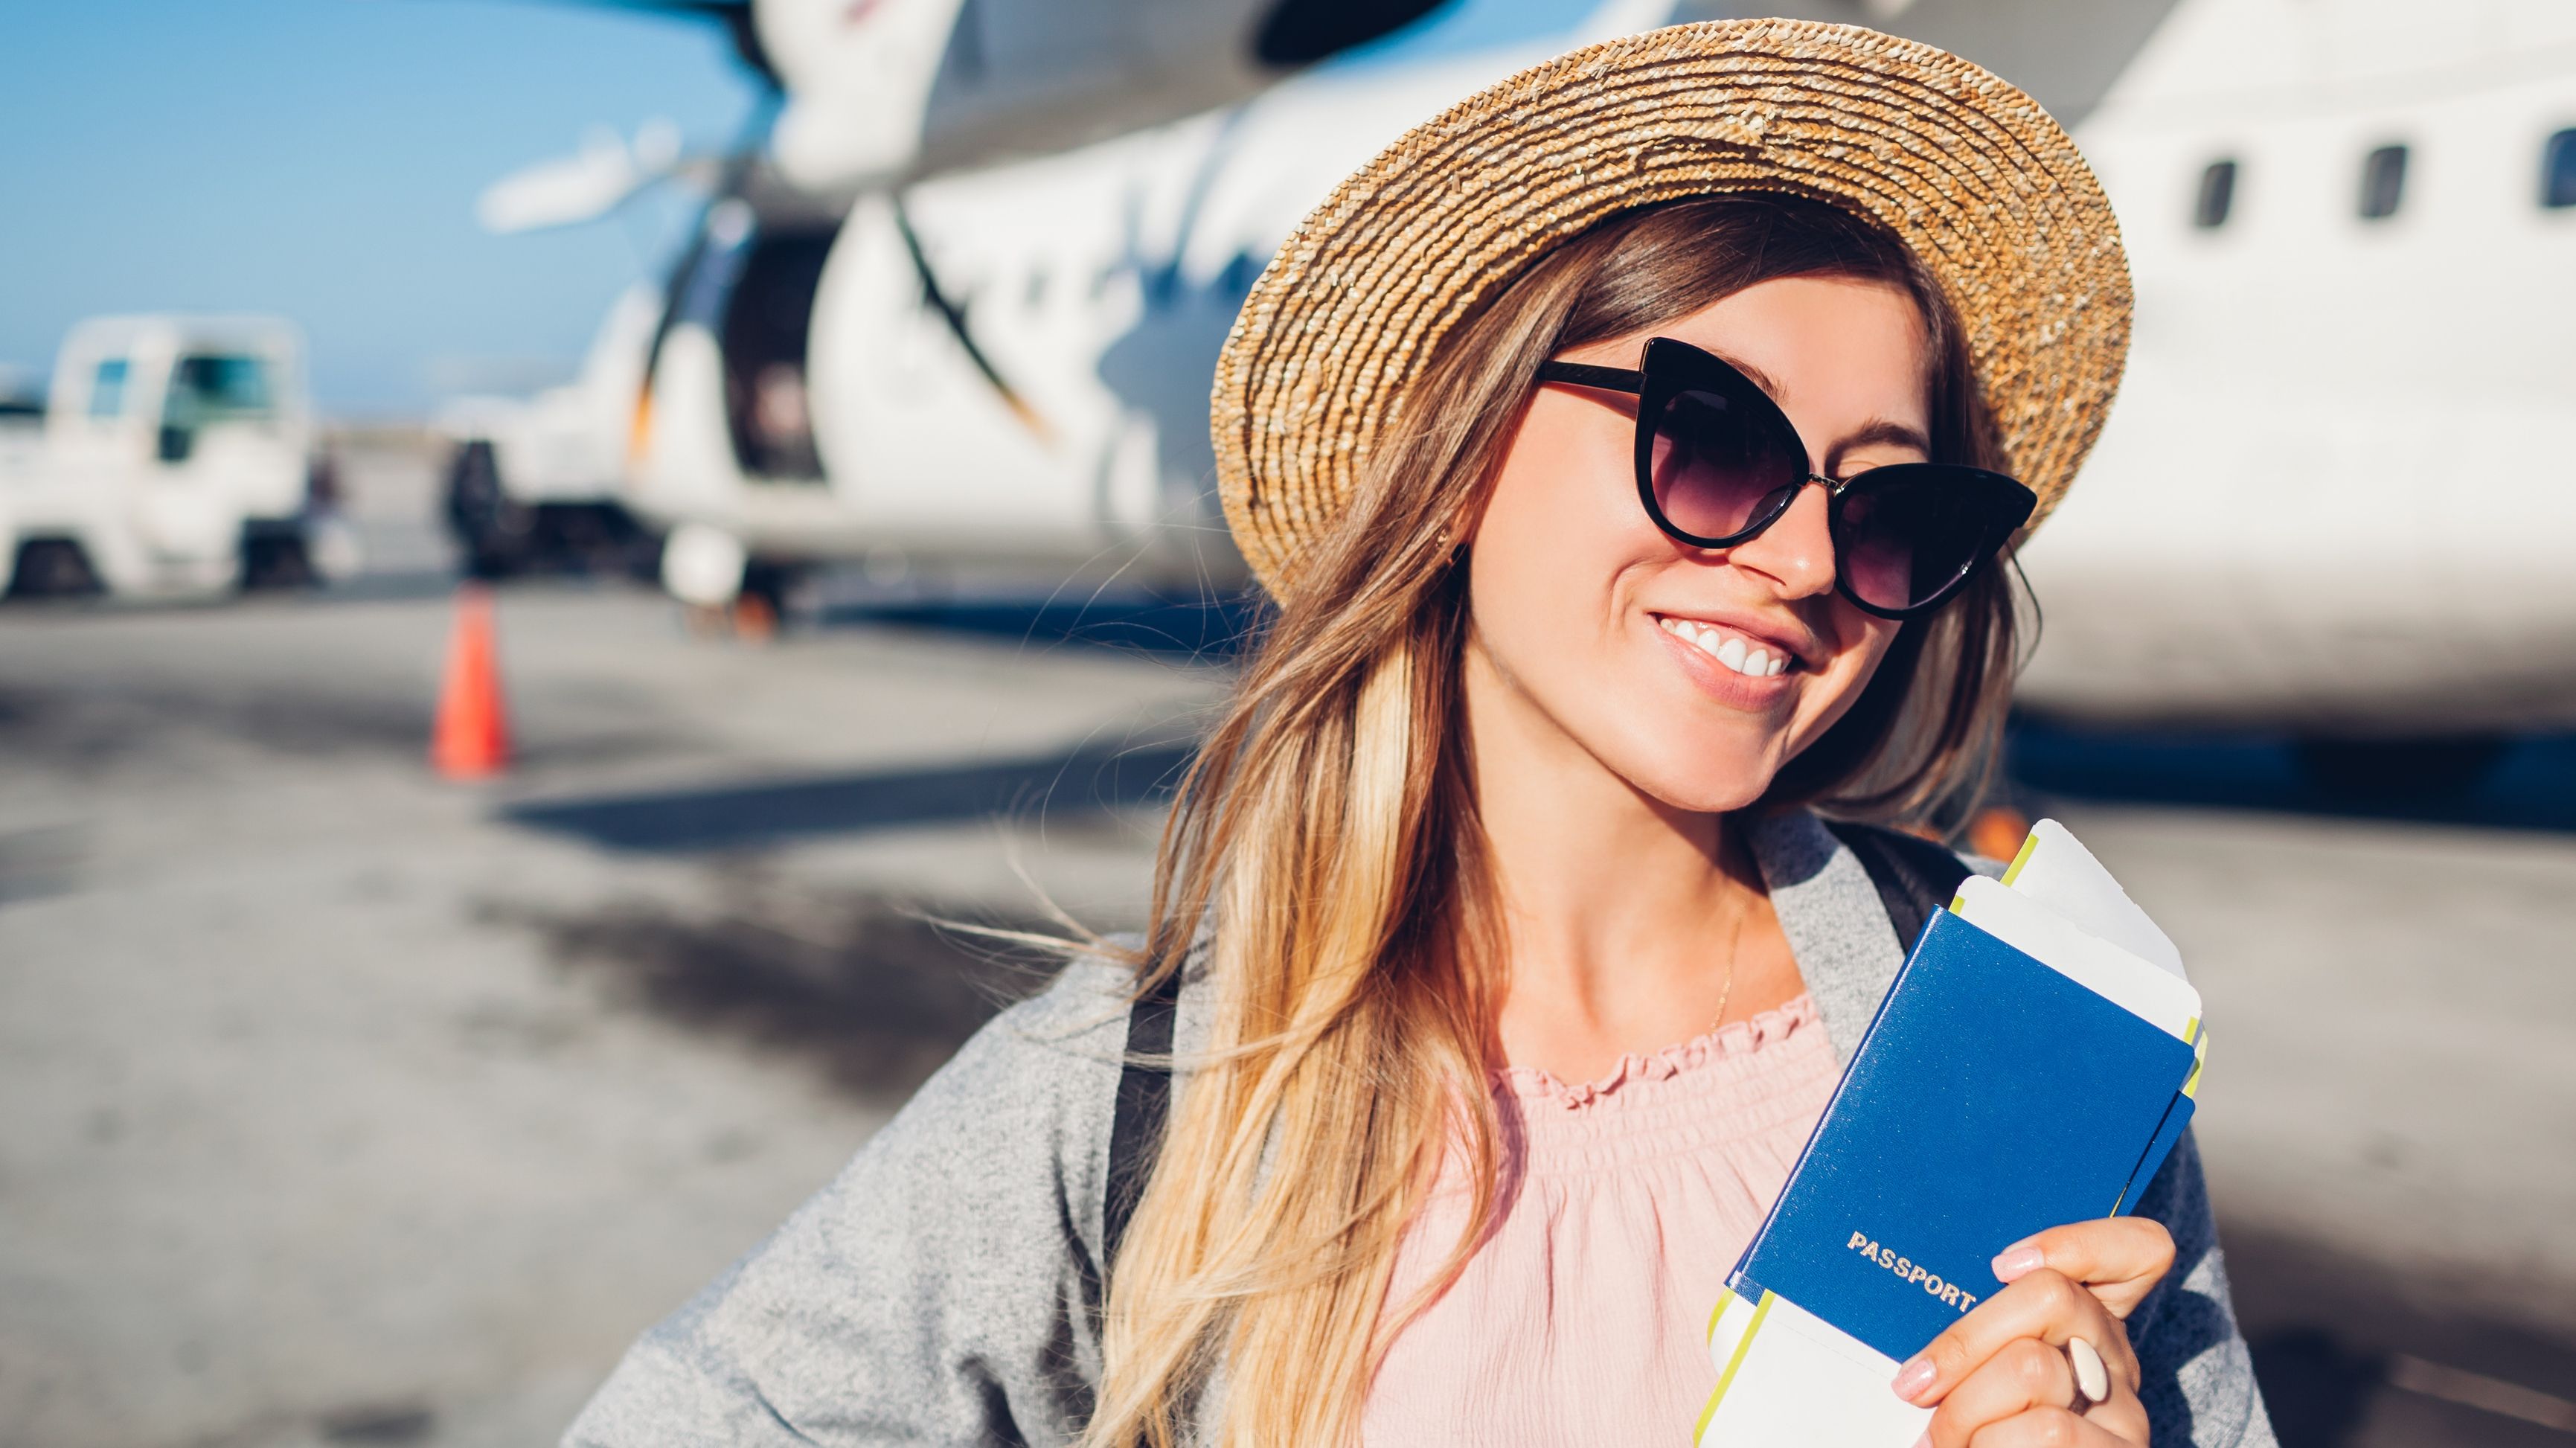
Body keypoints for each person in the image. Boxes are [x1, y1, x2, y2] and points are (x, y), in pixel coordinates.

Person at [565, 19, 2275, 1448]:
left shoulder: (2019, 1038)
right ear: (1461, 455)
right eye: (1715, 438)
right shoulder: (1153, 1094)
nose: (1813, 559)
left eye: (1894, 506)